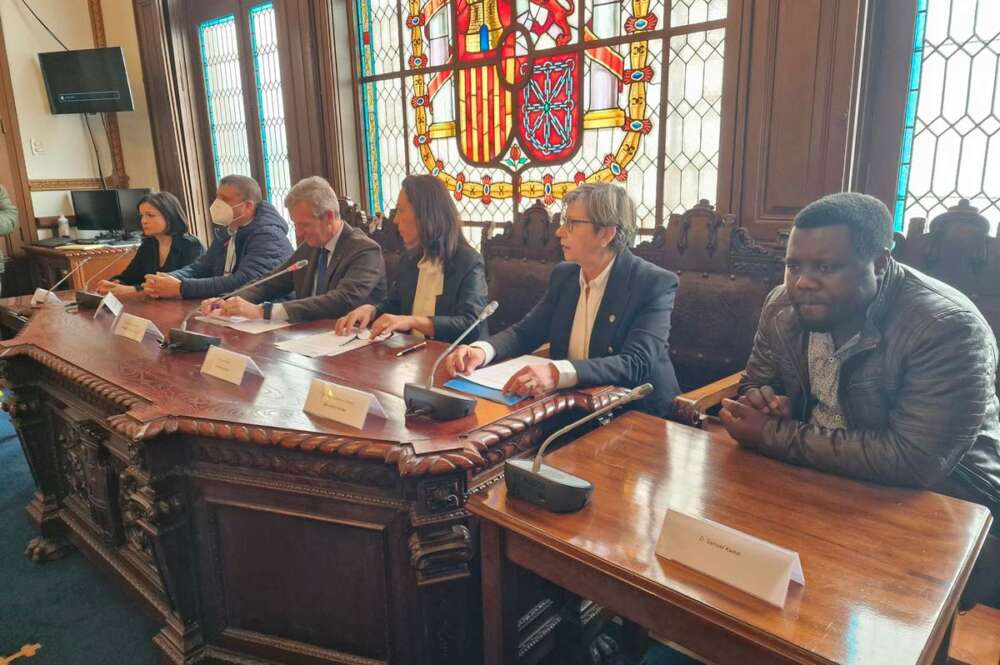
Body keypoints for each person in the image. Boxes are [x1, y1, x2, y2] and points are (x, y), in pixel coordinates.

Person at [720, 191, 1000, 607]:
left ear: (881, 264)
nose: (802, 282)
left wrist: (775, 434)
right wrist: (765, 402)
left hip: (943, 504)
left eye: (826, 267)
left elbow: (912, 460)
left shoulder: (946, 328)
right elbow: (753, 386)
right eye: (793, 265)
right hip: (821, 481)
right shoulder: (783, 305)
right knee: (729, 575)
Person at [442, 182, 681, 417]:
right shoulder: (565, 275)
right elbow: (525, 332)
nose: (559, 231)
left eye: (571, 223)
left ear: (606, 233)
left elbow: (635, 363)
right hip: (573, 407)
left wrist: (556, 373)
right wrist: (483, 351)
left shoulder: (652, 283)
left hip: (638, 415)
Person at [201, 176, 385, 322]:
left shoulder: (364, 251)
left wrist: (262, 312)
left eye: (304, 225)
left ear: (328, 217)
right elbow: (269, 283)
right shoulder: (309, 248)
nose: (299, 234)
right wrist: (226, 302)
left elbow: (341, 300)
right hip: (308, 340)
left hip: (354, 347)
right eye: (296, 225)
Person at [335, 175, 488, 342]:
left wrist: (412, 321)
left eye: (401, 210)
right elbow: (395, 304)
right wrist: (371, 310)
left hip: (456, 360)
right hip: (413, 357)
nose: (395, 220)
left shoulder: (469, 262)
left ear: (426, 214)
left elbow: (471, 325)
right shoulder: (409, 259)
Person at [143, 174, 292, 299]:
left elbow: (244, 282)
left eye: (225, 199)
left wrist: (181, 288)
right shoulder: (228, 231)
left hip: (264, 313)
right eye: (217, 198)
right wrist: (165, 279)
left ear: (247, 206)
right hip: (226, 308)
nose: (217, 204)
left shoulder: (269, 236)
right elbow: (200, 268)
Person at [94, 191, 203, 299]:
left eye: (150, 215)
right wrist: (116, 283)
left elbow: (182, 286)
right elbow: (129, 277)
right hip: (154, 306)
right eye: (142, 216)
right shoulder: (149, 244)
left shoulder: (191, 245)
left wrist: (134, 290)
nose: (144, 221)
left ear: (169, 217)